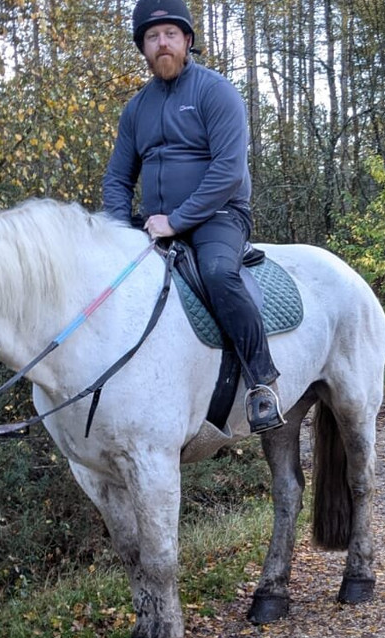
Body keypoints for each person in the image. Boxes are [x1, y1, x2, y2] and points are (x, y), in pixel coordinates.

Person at [103, 0, 284, 433]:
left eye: (169, 34)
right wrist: (114, 229)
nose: (161, 43)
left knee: (220, 273)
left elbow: (228, 171)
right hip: (156, 223)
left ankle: (262, 382)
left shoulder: (215, 92)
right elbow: (116, 179)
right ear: (143, 48)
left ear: (187, 40)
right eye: (152, 36)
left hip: (219, 216)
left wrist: (177, 221)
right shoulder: (136, 110)